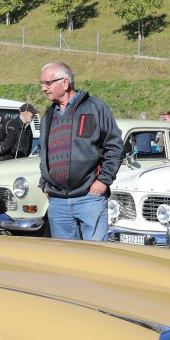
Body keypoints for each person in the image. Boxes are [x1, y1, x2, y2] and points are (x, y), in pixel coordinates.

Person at [37, 61, 121, 240]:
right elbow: (43, 151)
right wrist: (44, 183)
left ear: (65, 83)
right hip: (57, 200)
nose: (43, 88)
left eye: (48, 83)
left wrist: (103, 181)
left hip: (89, 197)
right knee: (64, 256)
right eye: (42, 83)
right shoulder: (48, 115)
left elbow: (114, 146)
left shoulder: (95, 107)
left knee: (95, 254)